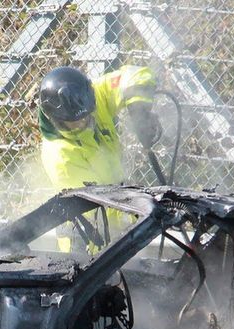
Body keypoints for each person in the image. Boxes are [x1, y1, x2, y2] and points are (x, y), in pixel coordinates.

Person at [37, 65, 161, 252]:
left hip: (121, 214)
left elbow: (137, 74)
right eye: (74, 122)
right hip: (87, 241)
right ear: (55, 121)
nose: (84, 123)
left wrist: (140, 110)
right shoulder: (60, 157)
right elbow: (99, 210)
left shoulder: (94, 98)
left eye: (87, 116)